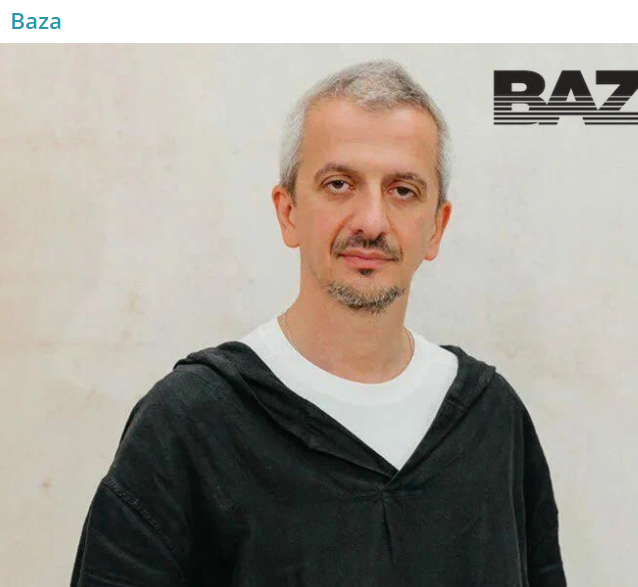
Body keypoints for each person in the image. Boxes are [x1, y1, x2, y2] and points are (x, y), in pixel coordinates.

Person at [70, 60, 567, 587]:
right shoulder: (191, 425)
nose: (371, 222)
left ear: (437, 228)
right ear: (288, 213)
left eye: (403, 190)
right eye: (339, 184)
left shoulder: (492, 423)